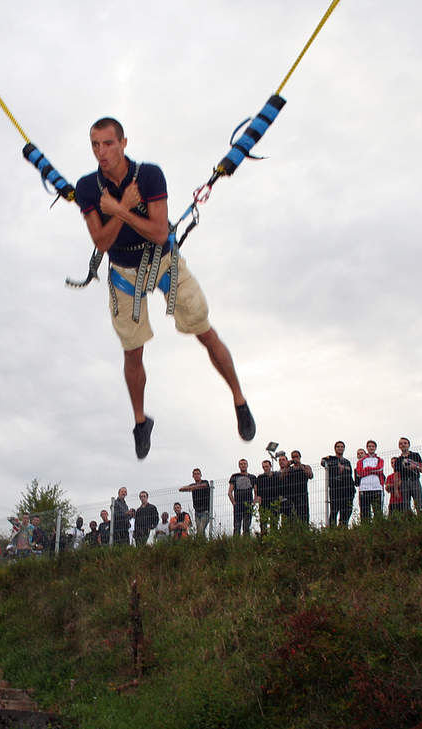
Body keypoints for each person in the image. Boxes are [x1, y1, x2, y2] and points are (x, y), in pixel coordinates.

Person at [74, 117, 255, 458]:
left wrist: (118, 211)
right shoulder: (87, 188)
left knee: (203, 329)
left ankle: (239, 399)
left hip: (164, 261)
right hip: (124, 272)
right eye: (95, 145)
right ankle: (141, 421)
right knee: (132, 349)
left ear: (123, 143)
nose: (102, 152)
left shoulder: (149, 175)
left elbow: (158, 232)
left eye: (108, 144)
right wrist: (125, 207)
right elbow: (100, 240)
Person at [319, 443, 354, 527]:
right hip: (335, 489)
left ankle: (343, 529)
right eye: (338, 447)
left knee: (346, 511)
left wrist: (342, 467)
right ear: (335, 448)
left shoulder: (347, 461)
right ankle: (332, 530)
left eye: (342, 447)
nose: (340, 448)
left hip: (347, 489)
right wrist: (334, 465)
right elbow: (323, 461)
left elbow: (350, 471)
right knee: (334, 511)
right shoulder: (331, 459)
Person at [391, 437, 422, 513]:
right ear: (399, 446)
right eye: (401, 444)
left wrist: (415, 466)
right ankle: (409, 522)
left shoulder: (415, 455)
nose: (403, 445)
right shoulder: (398, 460)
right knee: (406, 505)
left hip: (415, 481)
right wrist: (396, 489)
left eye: (405, 443)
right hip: (404, 483)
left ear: (408, 445)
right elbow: (396, 475)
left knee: (419, 503)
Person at [355, 440, 386, 522]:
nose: (371, 448)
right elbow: (359, 472)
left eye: (373, 446)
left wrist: (367, 469)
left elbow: (380, 469)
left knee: (378, 512)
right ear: (367, 448)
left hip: (377, 488)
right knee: (365, 513)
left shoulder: (380, 460)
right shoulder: (360, 461)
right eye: (369, 446)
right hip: (364, 489)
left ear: (375, 448)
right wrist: (373, 470)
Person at [281, 450, 315, 525]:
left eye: (296, 456)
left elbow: (310, 475)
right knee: (292, 516)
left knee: (304, 515)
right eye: (293, 457)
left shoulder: (305, 466)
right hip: (292, 496)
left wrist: (300, 466)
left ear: (300, 457)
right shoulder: (289, 469)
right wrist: (287, 466)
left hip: (303, 494)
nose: (295, 458)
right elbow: (282, 477)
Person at [179, 468, 213, 538]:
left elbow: (203, 485)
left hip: (205, 512)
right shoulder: (192, 485)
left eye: (198, 474)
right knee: (200, 531)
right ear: (193, 476)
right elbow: (181, 489)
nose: (196, 475)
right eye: (195, 474)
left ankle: (199, 544)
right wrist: (191, 487)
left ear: (201, 475)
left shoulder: (205, 482)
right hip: (197, 512)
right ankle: (203, 546)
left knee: (200, 530)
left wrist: (192, 488)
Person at [229, 459, 257, 536]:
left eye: (244, 464)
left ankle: (246, 543)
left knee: (247, 526)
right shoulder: (234, 476)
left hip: (248, 504)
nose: (243, 465)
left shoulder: (252, 477)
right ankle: (236, 543)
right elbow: (230, 492)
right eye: (241, 464)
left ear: (247, 465)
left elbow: (256, 492)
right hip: (238, 504)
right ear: (239, 466)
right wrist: (234, 503)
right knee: (237, 526)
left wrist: (253, 503)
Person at [256, 458, 280, 533]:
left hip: (274, 502)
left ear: (270, 466)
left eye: (266, 466)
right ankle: (264, 539)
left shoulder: (276, 476)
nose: (265, 468)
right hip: (264, 503)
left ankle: (274, 538)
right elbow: (257, 490)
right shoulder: (260, 477)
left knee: (274, 522)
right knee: (263, 522)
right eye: (263, 467)